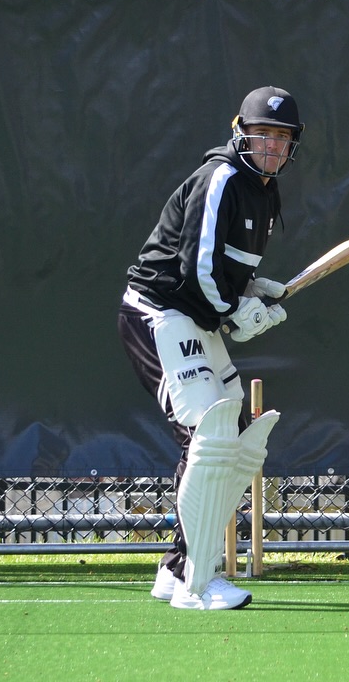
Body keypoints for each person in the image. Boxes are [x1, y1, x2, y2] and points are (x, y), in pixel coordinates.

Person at [118, 86, 302, 611]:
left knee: (235, 438)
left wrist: (252, 292)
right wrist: (234, 308)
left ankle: (175, 569)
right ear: (239, 133)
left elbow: (223, 267)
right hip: (158, 312)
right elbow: (195, 265)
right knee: (208, 435)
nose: (271, 146)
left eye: (281, 137)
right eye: (262, 134)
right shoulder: (219, 178)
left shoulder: (266, 193)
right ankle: (193, 582)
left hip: (197, 318)